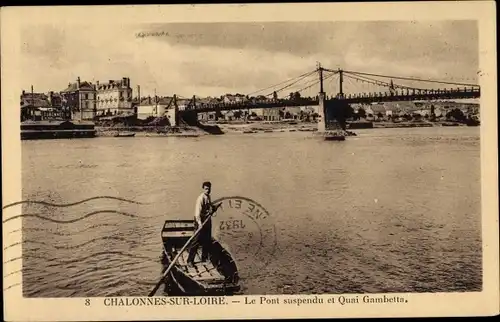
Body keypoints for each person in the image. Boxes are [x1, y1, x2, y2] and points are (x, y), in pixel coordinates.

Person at [187, 181, 219, 265]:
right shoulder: (200, 198)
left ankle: (204, 258)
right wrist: (200, 224)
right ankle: (190, 260)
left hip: (207, 219)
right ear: (203, 189)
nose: (208, 190)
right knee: (196, 240)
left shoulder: (208, 196)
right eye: (206, 189)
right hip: (199, 220)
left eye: (209, 189)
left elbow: (209, 207)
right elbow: (197, 214)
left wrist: (213, 208)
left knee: (207, 240)